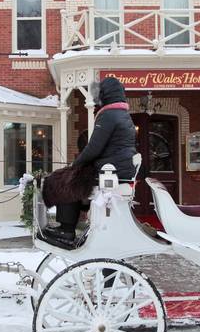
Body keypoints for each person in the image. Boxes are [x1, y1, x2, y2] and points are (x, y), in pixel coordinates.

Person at [49, 76, 138, 242]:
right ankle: (72, 222)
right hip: (118, 169)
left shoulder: (109, 115)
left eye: (100, 92)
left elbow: (93, 148)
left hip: (112, 171)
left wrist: (75, 166)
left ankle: (66, 229)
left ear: (106, 94)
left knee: (64, 180)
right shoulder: (122, 114)